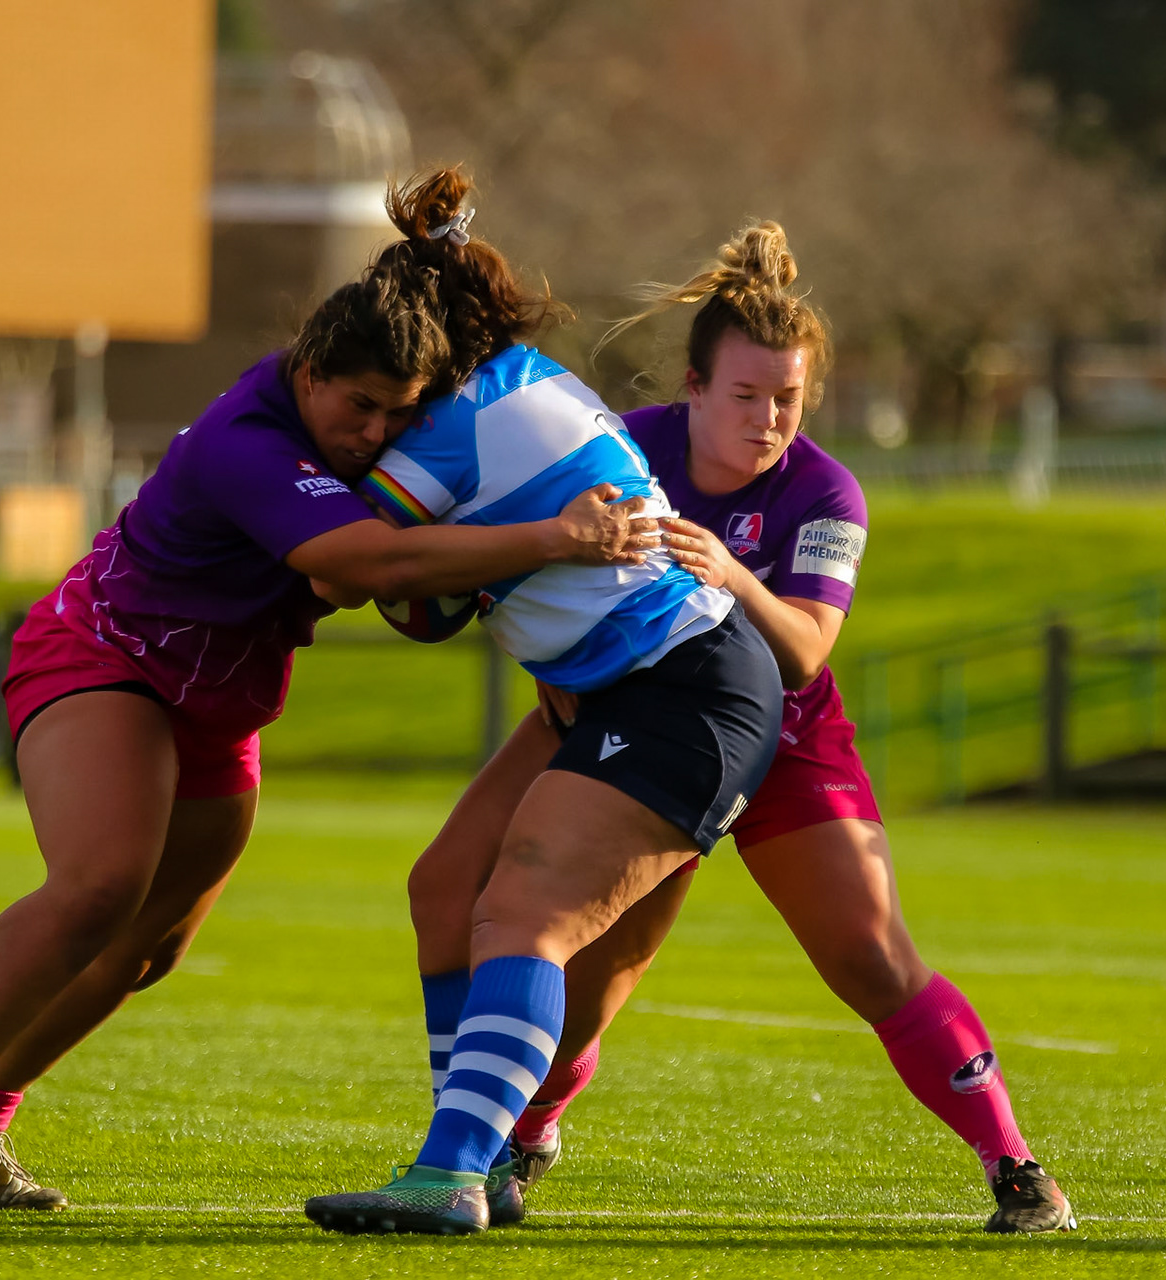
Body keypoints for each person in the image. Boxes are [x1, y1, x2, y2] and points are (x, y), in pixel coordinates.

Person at [0, 174, 656, 1225]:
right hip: (105, 654)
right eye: (357, 405)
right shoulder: (252, 438)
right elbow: (363, 564)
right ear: (310, 370)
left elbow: (402, 567)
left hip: (218, 697)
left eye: (395, 414)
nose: (372, 432)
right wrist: (558, 537)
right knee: (99, 882)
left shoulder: (372, 440)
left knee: (152, 942)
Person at [397, 222, 1075, 1234]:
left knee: (870, 954)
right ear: (692, 388)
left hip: (782, 735)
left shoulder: (823, 490)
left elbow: (806, 650)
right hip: (617, 708)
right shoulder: (629, 440)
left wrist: (731, 572)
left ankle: (1015, 1164)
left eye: (789, 400)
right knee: (553, 951)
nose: (768, 421)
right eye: (747, 396)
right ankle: (510, 1140)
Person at [303, 177, 785, 1237]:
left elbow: (349, 570)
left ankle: (455, 1172)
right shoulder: (521, 378)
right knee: (447, 887)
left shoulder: (456, 426)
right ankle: (465, 1156)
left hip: (682, 684)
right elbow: (426, 587)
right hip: (624, 685)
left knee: (524, 914)